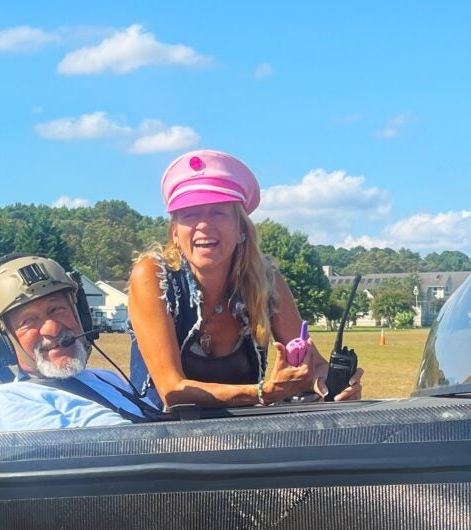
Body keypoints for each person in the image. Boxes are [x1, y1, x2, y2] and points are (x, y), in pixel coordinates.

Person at [128, 149, 364, 409]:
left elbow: (314, 366)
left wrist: (334, 383)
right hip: (157, 439)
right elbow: (172, 390)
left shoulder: (266, 280)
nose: (204, 225)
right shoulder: (152, 275)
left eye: (218, 212)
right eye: (190, 214)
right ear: (174, 230)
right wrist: (264, 393)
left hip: (241, 438)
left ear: (241, 227)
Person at [0, 254, 162, 432]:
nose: (52, 329)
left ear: (80, 316)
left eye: (57, 309)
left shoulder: (107, 378)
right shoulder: (10, 400)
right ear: (0, 342)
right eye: (28, 321)